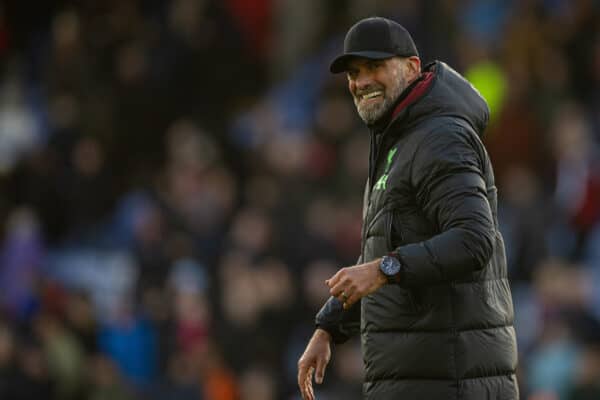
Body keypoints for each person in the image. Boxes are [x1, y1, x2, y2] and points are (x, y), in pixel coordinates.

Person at [297, 17, 518, 400]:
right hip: (419, 378)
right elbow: (385, 254)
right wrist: (329, 327)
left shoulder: (441, 136)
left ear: (412, 68)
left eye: (375, 67)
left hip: (453, 380)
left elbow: (473, 240)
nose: (361, 81)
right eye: (354, 72)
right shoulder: (396, 141)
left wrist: (385, 268)